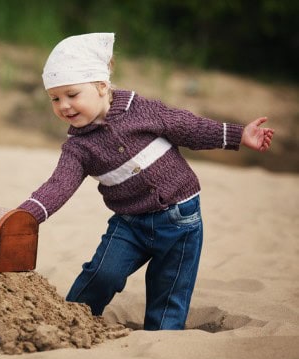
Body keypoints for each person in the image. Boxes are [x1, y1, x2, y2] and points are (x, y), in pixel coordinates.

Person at [18, 33, 274, 330]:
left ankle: (162, 340)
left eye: (72, 95)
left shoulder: (141, 110)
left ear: (101, 86)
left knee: (169, 292)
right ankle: (69, 323)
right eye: (55, 98)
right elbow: (58, 185)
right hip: (129, 223)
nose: (64, 106)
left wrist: (236, 135)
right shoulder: (78, 148)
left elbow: (187, 126)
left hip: (181, 219)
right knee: (102, 274)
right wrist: (27, 215)